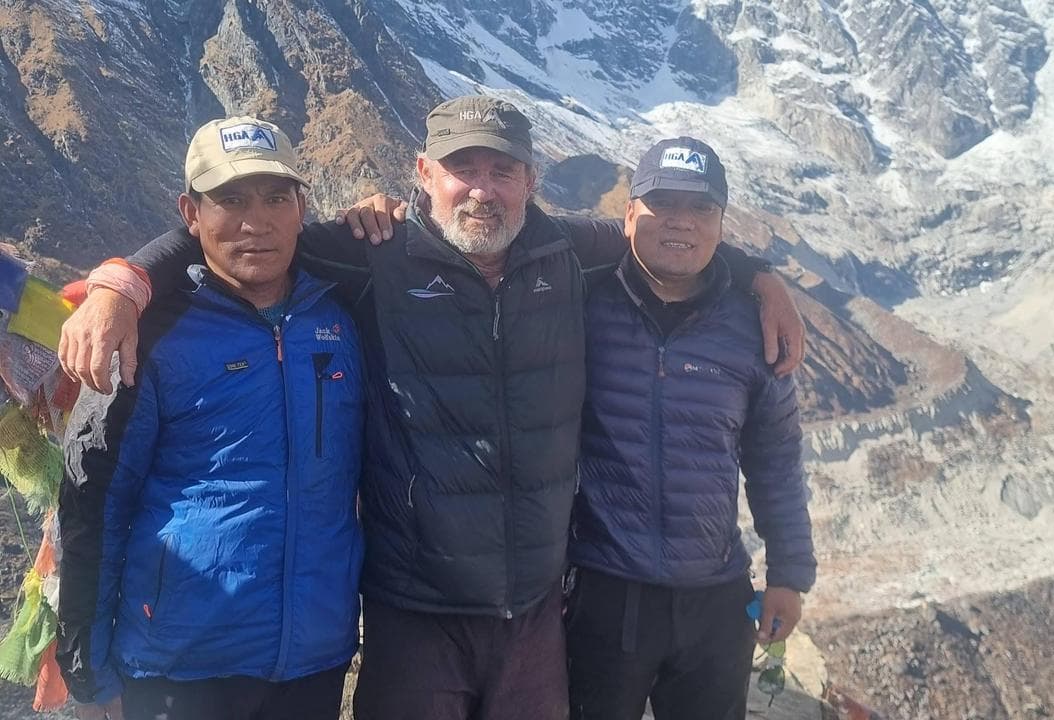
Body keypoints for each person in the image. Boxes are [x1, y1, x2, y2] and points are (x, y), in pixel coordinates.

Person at [57, 96, 805, 720]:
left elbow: (669, 240)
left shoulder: (567, 253)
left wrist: (762, 276)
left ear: (530, 181)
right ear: (423, 175)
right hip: (412, 608)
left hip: (534, 611)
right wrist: (121, 283)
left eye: (502, 170)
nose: (482, 188)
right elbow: (229, 242)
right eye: (461, 168)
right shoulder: (368, 255)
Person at [57, 116, 364, 720]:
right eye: (229, 200)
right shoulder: (146, 335)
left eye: (277, 198)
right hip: (179, 667)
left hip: (313, 661)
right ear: (190, 213)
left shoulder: (345, 312)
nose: (257, 222)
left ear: (303, 207)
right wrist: (89, 676)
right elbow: (93, 502)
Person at [564, 137, 817, 720]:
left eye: (700, 208)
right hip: (605, 593)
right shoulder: (580, 302)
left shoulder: (753, 329)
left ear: (722, 222)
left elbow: (776, 460)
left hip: (716, 600)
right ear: (628, 214)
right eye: (662, 204)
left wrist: (788, 575)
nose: (680, 221)